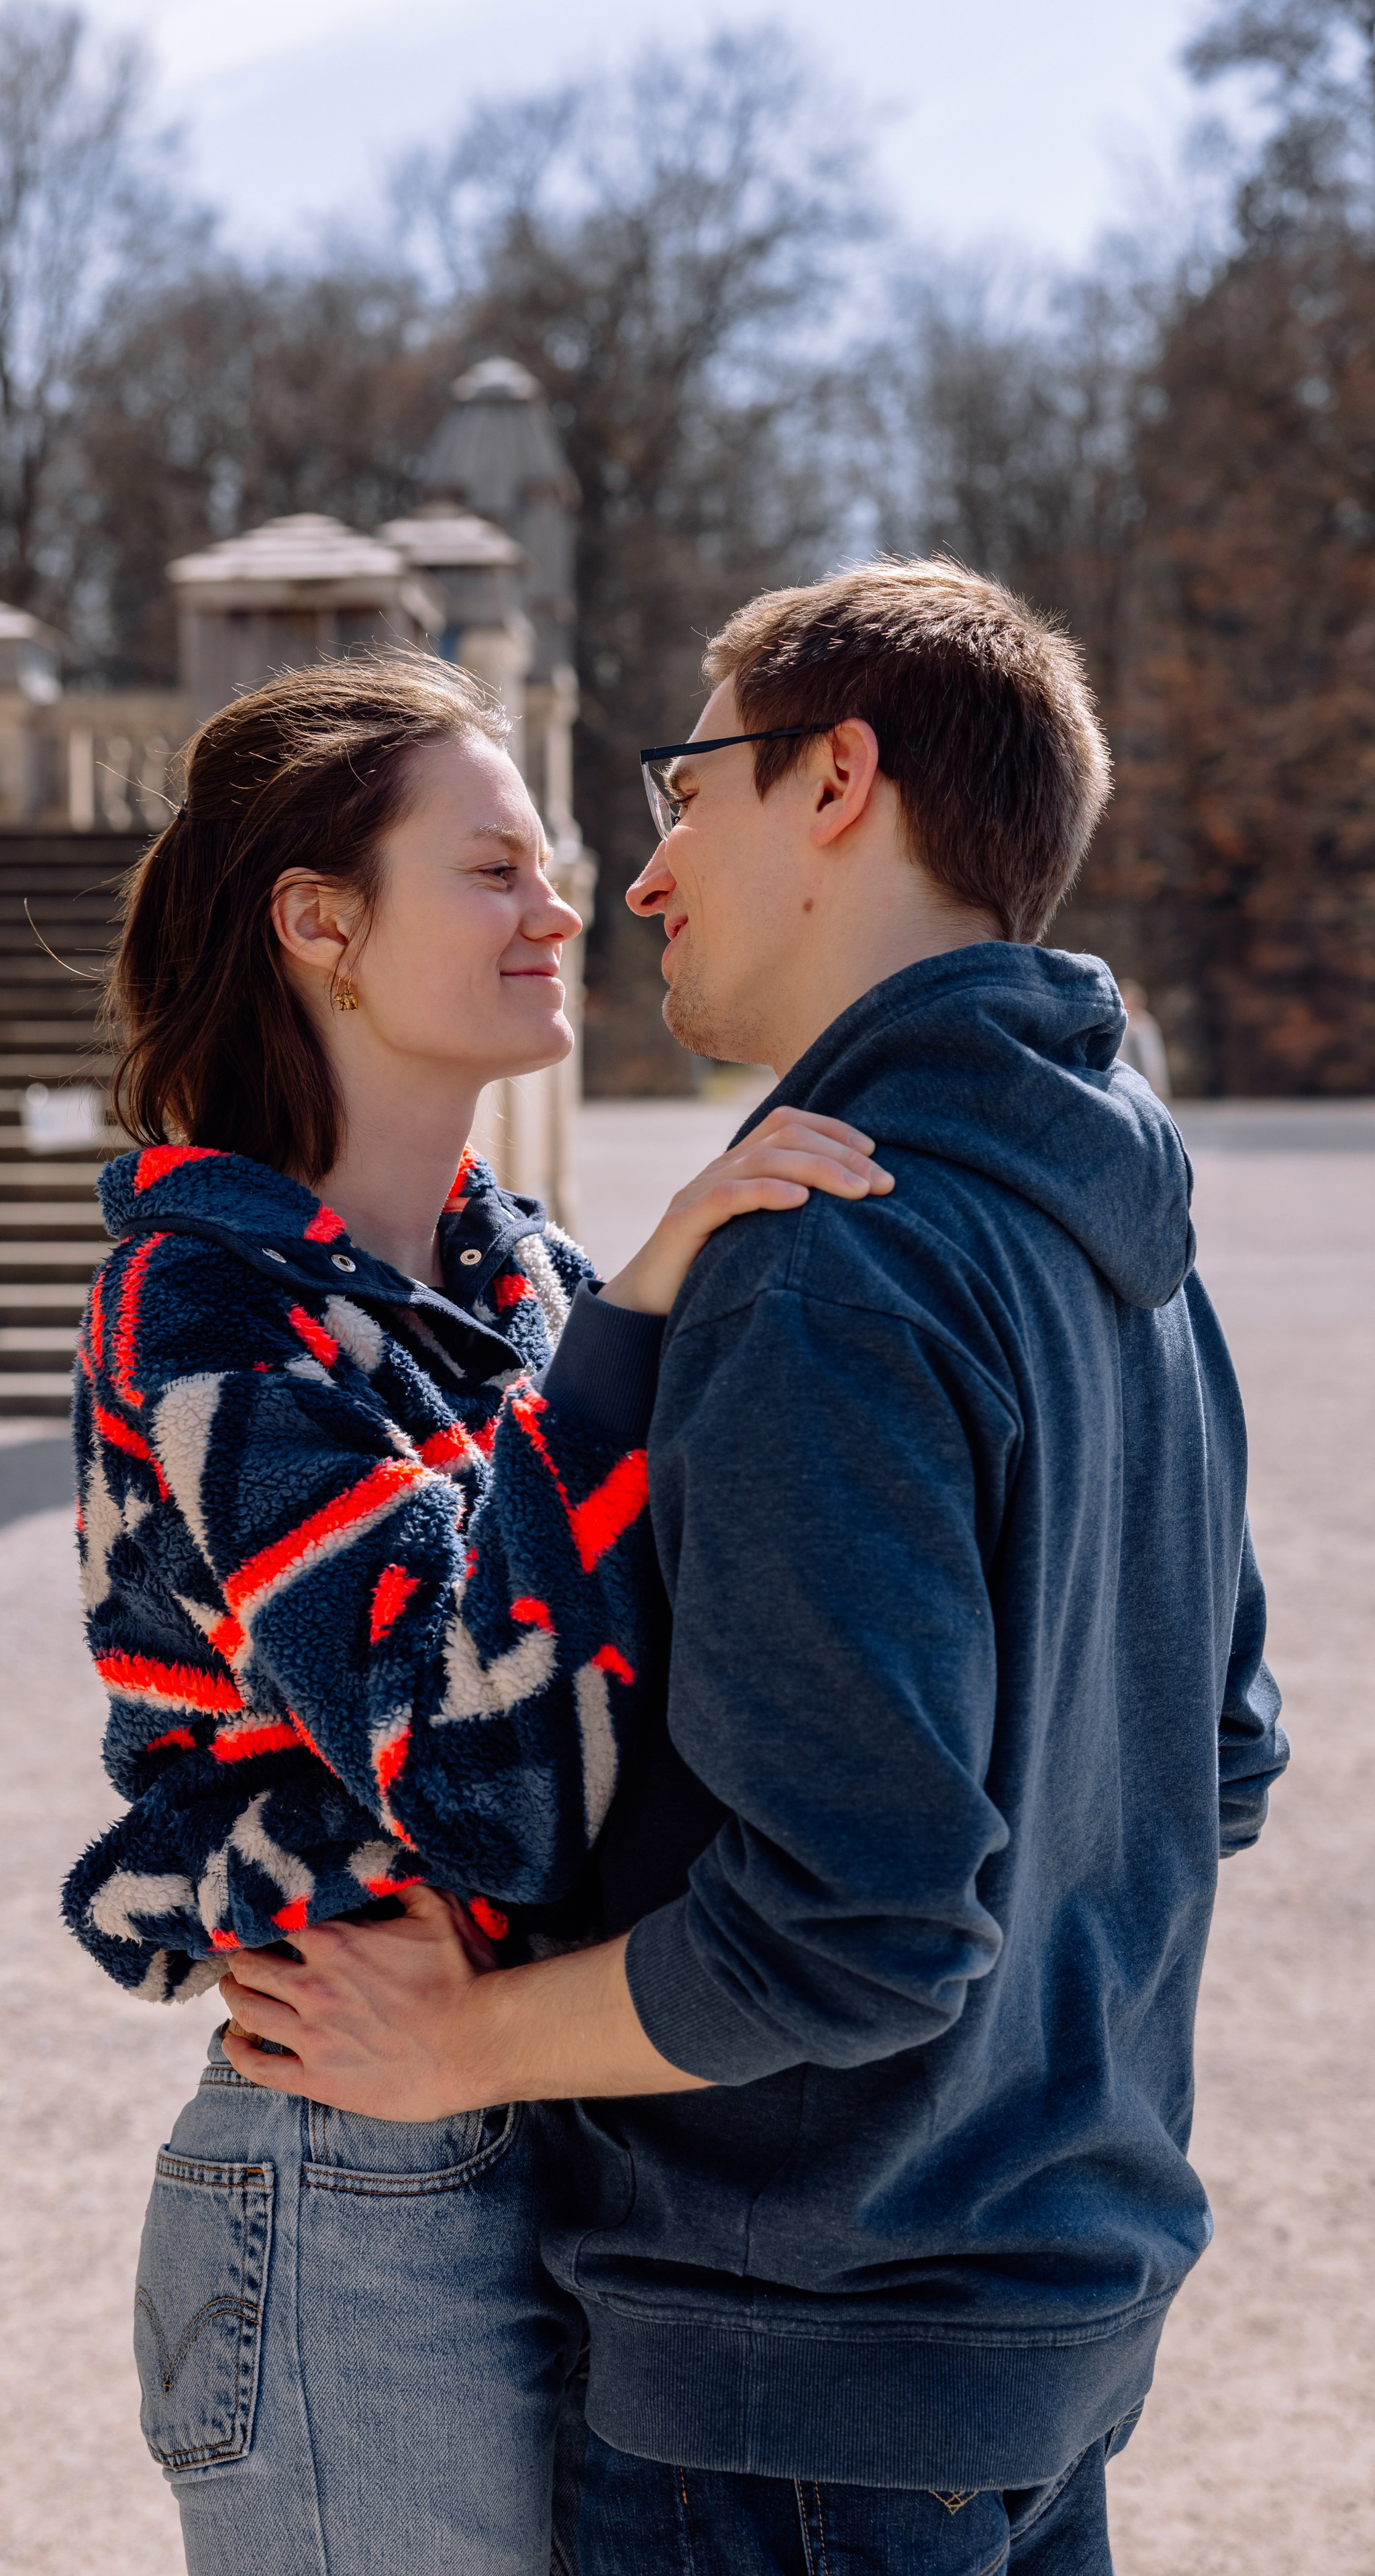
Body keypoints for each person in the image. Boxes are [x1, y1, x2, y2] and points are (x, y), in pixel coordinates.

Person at [217, 563, 1290, 2576]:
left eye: (680, 793)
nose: (640, 881)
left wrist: (457, 2046)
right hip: (1040, 2333)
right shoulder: (1125, 1238)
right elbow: (1212, 1766)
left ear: (837, 784)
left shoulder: (829, 1262)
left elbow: (857, 1934)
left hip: (800, 2396)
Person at [62, 652, 891, 2576]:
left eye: (559, 865)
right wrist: (639, 1333)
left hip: (577, 2125)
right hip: (361, 2186)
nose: (565, 907)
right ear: (321, 924)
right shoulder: (200, 1300)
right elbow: (489, 1771)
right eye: (496, 870)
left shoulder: (533, 1280)